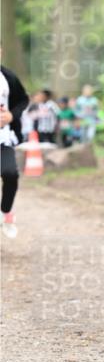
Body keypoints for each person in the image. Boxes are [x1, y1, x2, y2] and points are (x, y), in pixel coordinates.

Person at [0, 54, 30, 239]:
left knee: (11, 174)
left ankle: (5, 213)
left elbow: (23, 100)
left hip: (3, 138)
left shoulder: (7, 77)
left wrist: (12, 116)